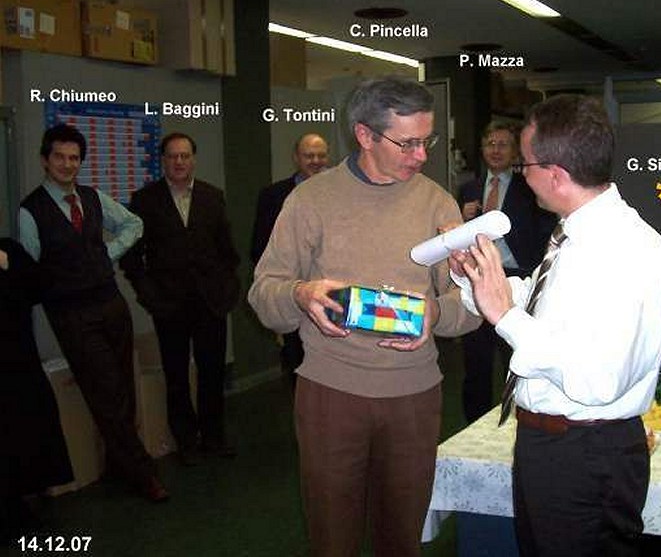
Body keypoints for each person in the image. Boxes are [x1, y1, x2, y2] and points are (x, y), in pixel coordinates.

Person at [247, 77, 481, 557]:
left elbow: (471, 306)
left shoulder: (437, 203)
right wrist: (299, 294)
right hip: (331, 394)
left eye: (427, 140)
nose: (421, 155)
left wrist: (436, 312)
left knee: (403, 537)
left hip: (413, 395)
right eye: (407, 143)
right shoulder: (310, 201)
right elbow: (263, 295)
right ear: (365, 135)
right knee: (333, 536)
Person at [449, 94, 661, 557]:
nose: (521, 173)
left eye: (524, 163)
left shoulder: (627, 249)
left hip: (586, 453)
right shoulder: (575, 234)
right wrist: (475, 276)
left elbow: (599, 379)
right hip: (553, 446)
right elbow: (535, 298)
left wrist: (506, 319)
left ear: (555, 173)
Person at [18, 124, 168, 502]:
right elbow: (29, 269)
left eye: (74, 158)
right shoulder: (30, 211)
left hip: (111, 303)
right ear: (45, 160)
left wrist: (107, 254)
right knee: (106, 394)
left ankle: (119, 465)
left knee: (123, 389)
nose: (67, 164)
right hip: (72, 314)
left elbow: (134, 224)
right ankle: (143, 473)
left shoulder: (92, 197)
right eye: (59, 157)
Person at [121, 132, 240, 466]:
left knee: (212, 372)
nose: (179, 162)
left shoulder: (212, 197)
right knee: (175, 375)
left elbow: (227, 251)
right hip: (169, 305)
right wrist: (149, 296)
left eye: (185, 155)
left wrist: (227, 288)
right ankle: (186, 441)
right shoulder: (145, 200)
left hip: (210, 303)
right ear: (163, 160)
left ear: (193, 159)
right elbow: (132, 258)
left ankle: (214, 437)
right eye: (172, 156)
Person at [457, 121, 555, 423]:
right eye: (490, 144)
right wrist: (463, 219)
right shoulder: (469, 189)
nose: (496, 150)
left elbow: (544, 231)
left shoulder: (530, 187)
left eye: (503, 144)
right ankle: (474, 424)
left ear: (514, 152)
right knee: (476, 363)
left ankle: (512, 418)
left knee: (516, 358)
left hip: (519, 277)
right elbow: (457, 237)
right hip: (478, 278)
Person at [1, 226, 73, 542]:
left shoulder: (9, 251)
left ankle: (17, 502)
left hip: (19, 362)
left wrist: (5, 264)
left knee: (25, 430)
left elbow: (39, 287)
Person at [250, 133, 329, 387]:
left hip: (331, 296)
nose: (316, 161)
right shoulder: (273, 196)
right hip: (293, 297)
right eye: (309, 156)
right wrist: (281, 293)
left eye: (321, 155)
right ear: (296, 158)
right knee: (300, 369)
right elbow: (260, 247)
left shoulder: (340, 194)